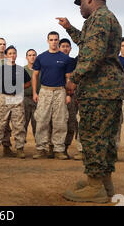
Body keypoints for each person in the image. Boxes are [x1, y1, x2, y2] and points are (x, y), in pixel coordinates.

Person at [57, 0, 124, 203]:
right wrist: (68, 27)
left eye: (80, 3)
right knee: (103, 137)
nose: (79, 9)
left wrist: (74, 79)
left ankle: (95, 187)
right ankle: (103, 182)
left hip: (99, 89)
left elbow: (92, 54)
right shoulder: (105, 18)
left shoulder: (99, 19)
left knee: (93, 136)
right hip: (107, 89)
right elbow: (87, 44)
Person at [32, 31, 73, 160]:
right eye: (51, 40)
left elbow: (68, 78)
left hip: (60, 91)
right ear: (47, 41)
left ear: (58, 41)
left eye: (56, 40)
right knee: (42, 120)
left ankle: (59, 149)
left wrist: (68, 94)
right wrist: (35, 92)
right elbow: (35, 75)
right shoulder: (41, 57)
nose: (54, 42)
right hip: (45, 91)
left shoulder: (65, 59)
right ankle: (41, 148)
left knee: (60, 121)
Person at [0, 46, 31, 159]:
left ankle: (19, 149)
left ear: (16, 55)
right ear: (6, 55)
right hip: (3, 98)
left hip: (16, 98)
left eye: (14, 53)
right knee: (0, 124)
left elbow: (28, 83)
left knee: (19, 125)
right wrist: (2, 86)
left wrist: (18, 86)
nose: (12, 55)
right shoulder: (1, 69)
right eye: (10, 53)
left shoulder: (20, 70)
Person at [59, 38, 83, 160]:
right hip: (61, 95)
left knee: (75, 123)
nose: (65, 48)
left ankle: (80, 149)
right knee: (62, 122)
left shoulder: (75, 61)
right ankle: (59, 148)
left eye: (67, 46)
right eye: (63, 46)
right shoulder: (55, 61)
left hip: (77, 96)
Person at [23, 49, 40, 141]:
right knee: (23, 123)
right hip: (25, 99)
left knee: (37, 123)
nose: (32, 57)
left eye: (34, 55)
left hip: (38, 100)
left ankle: (39, 146)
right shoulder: (22, 70)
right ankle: (20, 146)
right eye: (29, 55)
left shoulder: (40, 70)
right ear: (26, 57)